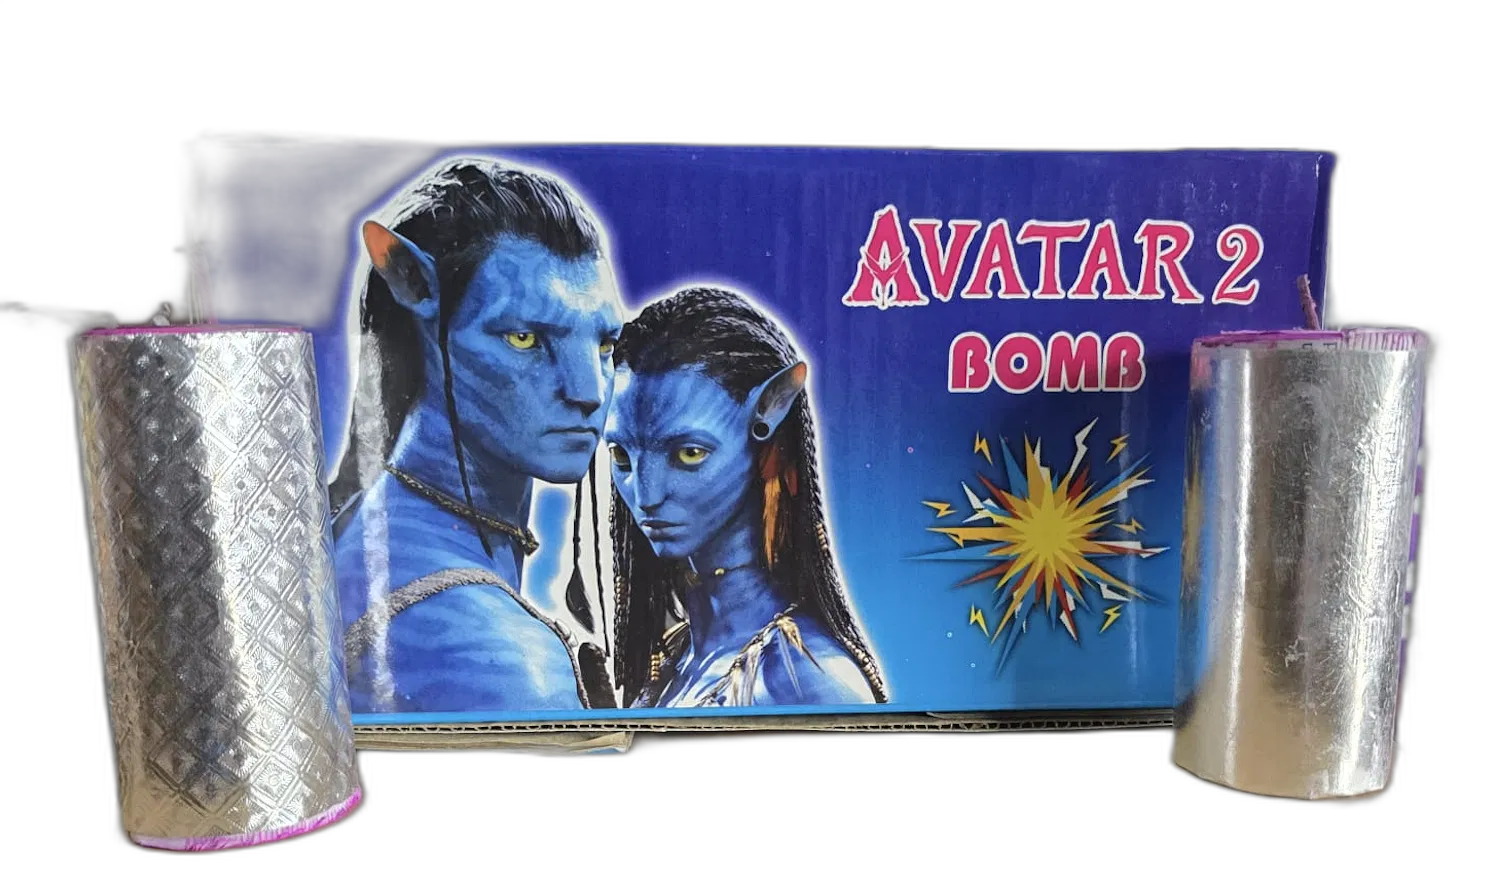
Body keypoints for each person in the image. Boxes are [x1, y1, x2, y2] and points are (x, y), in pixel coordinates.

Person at [330, 157, 623, 714]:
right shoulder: (502, 660)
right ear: (413, 284)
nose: (589, 391)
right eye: (524, 338)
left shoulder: (368, 527)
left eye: (604, 343)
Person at [605, 286, 888, 708]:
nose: (646, 495)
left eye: (688, 454)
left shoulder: (802, 680)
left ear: (770, 408)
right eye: (621, 456)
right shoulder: (677, 661)